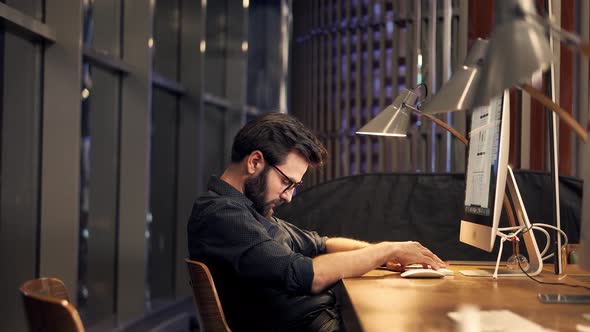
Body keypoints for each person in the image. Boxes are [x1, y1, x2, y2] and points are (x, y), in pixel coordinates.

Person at [187, 113, 446, 331]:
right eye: (287, 182)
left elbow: (321, 244)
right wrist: (387, 249)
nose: (288, 196)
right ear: (255, 162)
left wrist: (385, 258)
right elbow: (305, 275)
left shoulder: (249, 210)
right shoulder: (221, 216)